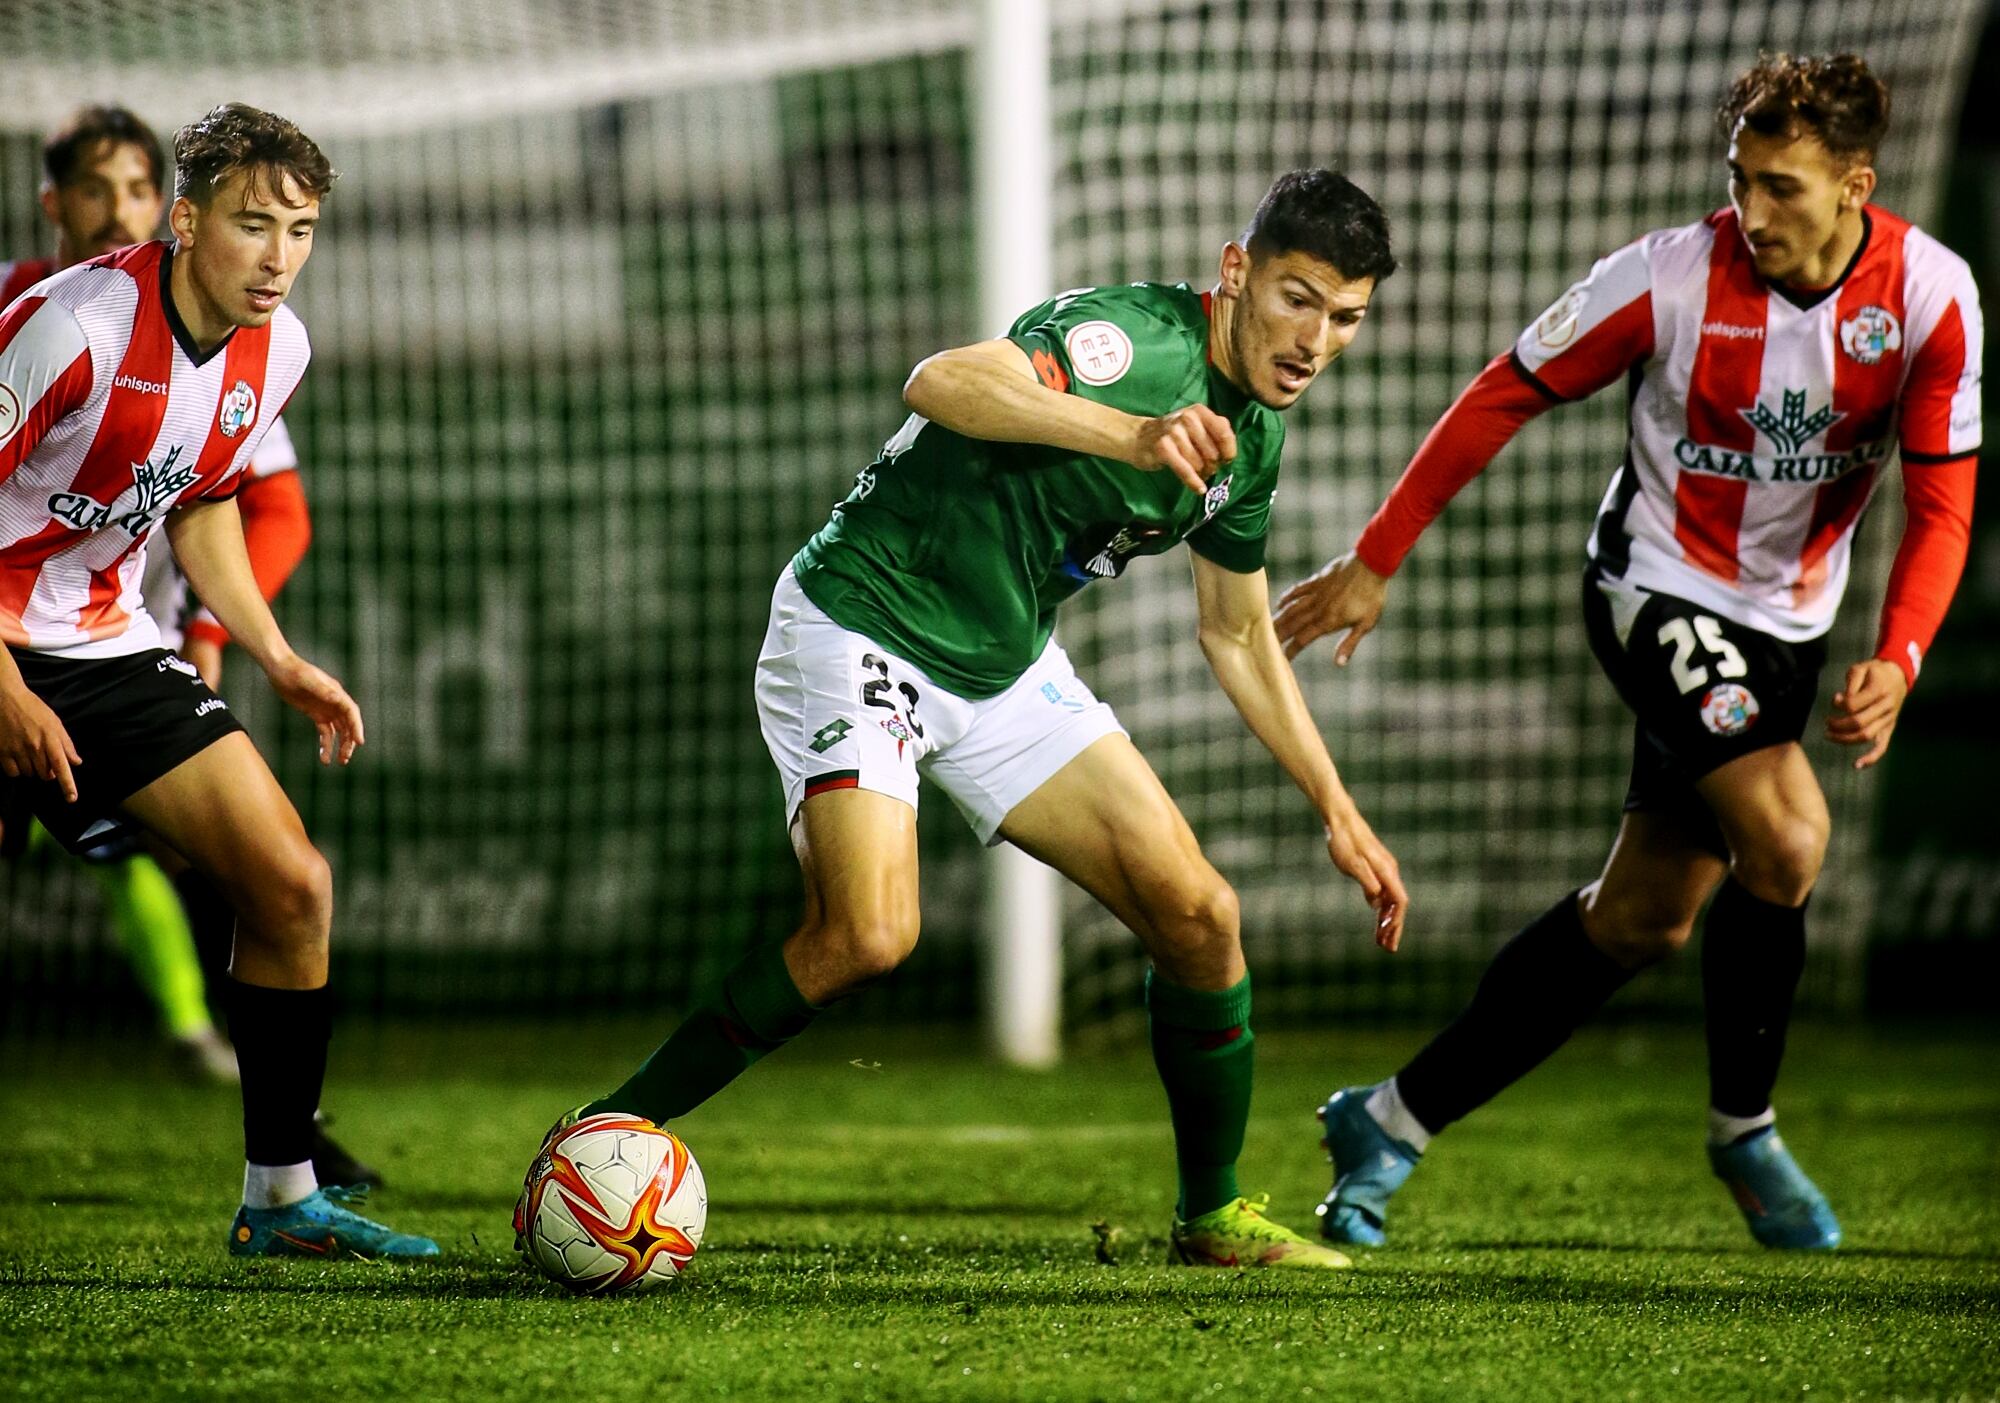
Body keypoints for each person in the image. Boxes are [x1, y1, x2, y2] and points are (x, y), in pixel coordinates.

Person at [520, 169, 1408, 1271]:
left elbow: (1234, 631)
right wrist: (1125, 436)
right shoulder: (1130, 344)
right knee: (866, 933)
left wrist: (1337, 809)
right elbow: (939, 380)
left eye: (1344, 318)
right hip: (861, 622)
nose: (1314, 339)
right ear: (1236, 272)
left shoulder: (1252, 443)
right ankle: (601, 1131)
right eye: (1296, 298)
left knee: (1197, 915)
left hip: (1000, 665)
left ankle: (1211, 1214)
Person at [1274, 53, 1979, 1252]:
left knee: (1642, 917)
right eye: (1738, 180)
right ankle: (1741, 1128)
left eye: (1783, 188)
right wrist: (1375, 555)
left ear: (1856, 183)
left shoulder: (1927, 295)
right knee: (1792, 832)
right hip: (1648, 590)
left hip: (1788, 626)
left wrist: (1901, 656)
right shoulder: (1662, 279)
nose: (1751, 211)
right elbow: (1503, 391)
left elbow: (1942, 502)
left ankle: (1385, 1121)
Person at [0, 102, 433, 1258]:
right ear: (185, 221)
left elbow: (202, 505)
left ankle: (283, 1195)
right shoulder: (71, 325)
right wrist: (3, 687)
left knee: (290, 884)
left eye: (300, 229)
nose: (279, 256)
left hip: (100, 642)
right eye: (254, 224)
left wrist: (276, 654)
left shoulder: (276, 347)